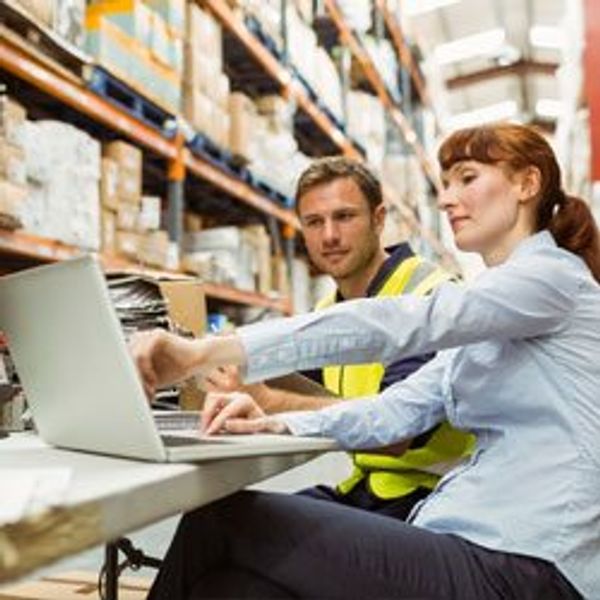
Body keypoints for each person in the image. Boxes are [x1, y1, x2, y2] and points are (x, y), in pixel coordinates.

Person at [132, 123, 600, 599]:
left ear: (527, 184)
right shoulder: (491, 315)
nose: (446, 199)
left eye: (467, 178)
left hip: (530, 566)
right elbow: (395, 410)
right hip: (468, 540)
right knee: (231, 588)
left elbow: (395, 323)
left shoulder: (553, 279)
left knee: (218, 519)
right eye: (444, 183)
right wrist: (273, 424)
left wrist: (202, 352)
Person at [204, 156, 473, 520]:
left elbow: (395, 434)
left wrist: (268, 400)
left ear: (379, 220)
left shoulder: (429, 297)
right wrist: (227, 365)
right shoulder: (330, 307)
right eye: (314, 222)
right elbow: (302, 383)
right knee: (216, 518)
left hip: (430, 501)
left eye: (344, 217)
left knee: (227, 527)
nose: (329, 235)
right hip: (368, 489)